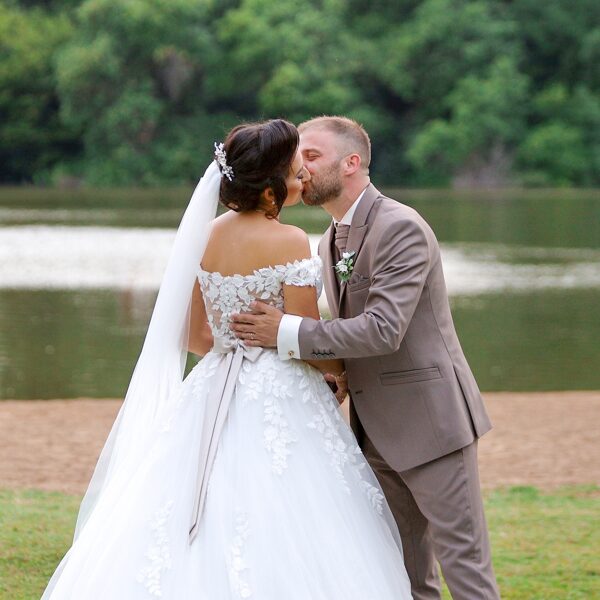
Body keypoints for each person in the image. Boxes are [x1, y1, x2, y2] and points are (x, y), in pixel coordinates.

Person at [41, 119, 413, 599]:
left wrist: (234, 345)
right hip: (280, 389)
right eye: (295, 170)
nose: (302, 176)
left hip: (214, 384)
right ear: (270, 186)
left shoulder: (206, 234)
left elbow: (196, 335)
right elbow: (305, 336)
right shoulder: (289, 239)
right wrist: (336, 374)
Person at [231, 116, 500, 600]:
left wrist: (285, 331)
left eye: (312, 156)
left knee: (466, 572)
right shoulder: (329, 239)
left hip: (431, 425)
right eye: (298, 158)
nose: (301, 168)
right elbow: (349, 330)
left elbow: (383, 329)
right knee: (404, 578)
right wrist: (335, 375)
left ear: (351, 162)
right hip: (372, 431)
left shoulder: (400, 227)